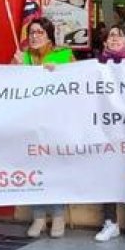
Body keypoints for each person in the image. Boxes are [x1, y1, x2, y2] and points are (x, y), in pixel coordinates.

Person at [15, 17, 76, 238]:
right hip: (30, 123)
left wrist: (60, 72)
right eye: (31, 32)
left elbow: (75, 85)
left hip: (56, 122)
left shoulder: (63, 55)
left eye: (40, 32)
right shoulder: (23, 57)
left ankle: (58, 216)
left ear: (49, 35)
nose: (34, 36)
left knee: (55, 170)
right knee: (34, 171)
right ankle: (39, 217)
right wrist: (15, 67)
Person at [94, 25, 125, 245]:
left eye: (119, 35)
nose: (114, 39)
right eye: (110, 36)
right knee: (107, 173)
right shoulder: (94, 67)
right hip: (105, 128)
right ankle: (110, 222)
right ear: (104, 43)